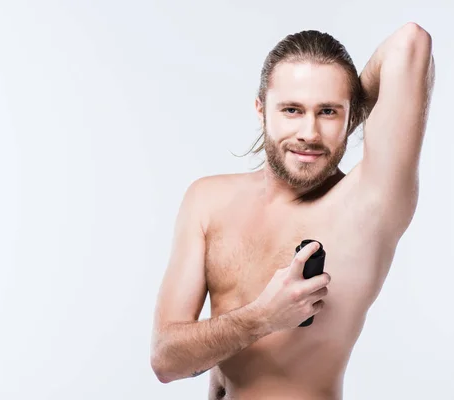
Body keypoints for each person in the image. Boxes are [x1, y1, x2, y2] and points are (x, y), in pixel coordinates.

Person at [150, 22, 435, 400]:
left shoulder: (368, 203)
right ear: (261, 111)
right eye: (292, 110)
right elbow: (166, 361)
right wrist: (263, 317)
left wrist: (348, 117)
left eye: (328, 112)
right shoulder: (207, 200)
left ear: (351, 117)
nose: (310, 132)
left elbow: (410, 44)